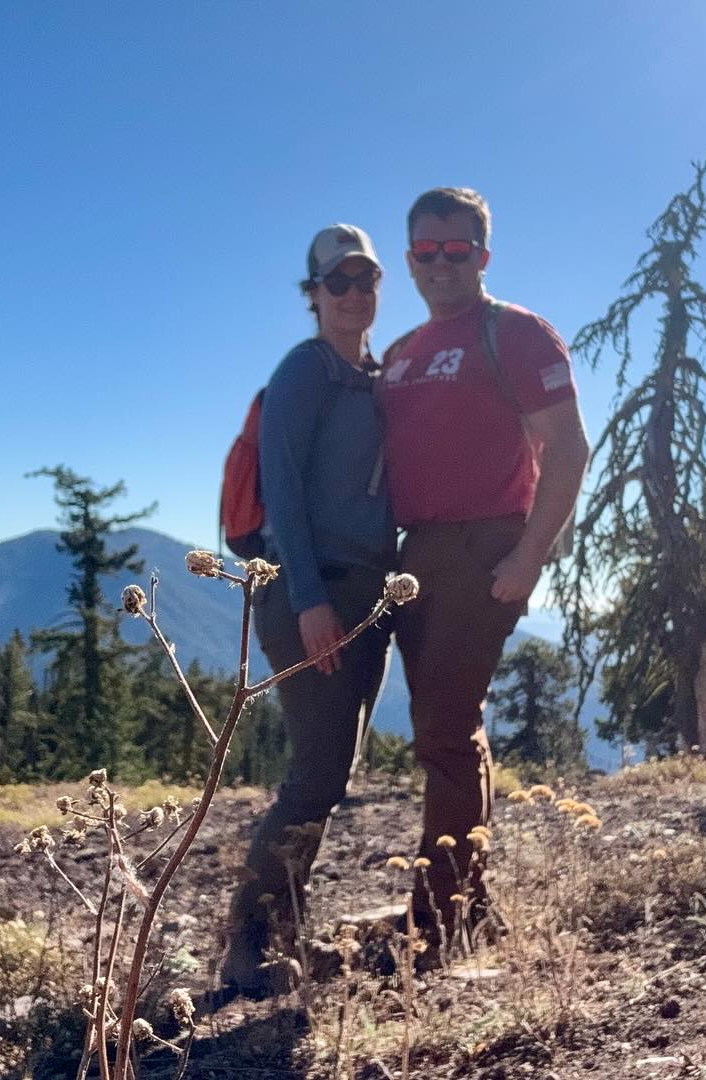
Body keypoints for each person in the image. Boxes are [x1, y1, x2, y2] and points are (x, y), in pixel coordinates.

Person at [377, 187, 589, 938]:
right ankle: (464, 900)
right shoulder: (402, 352)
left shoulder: (518, 334)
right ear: (409, 260)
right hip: (413, 553)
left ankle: (442, 918)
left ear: (482, 255)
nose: (441, 264)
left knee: (441, 725)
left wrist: (529, 557)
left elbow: (566, 448)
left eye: (456, 250)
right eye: (427, 253)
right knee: (447, 725)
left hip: (483, 547)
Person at [221, 224, 398, 998]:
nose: (354, 293)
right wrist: (309, 600)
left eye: (366, 279)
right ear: (313, 294)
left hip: (366, 588)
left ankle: (281, 934)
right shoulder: (307, 370)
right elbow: (284, 492)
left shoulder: (373, 376)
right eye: (338, 282)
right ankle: (249, 943)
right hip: (313, 589)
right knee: (315, 775)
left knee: (331, 772)